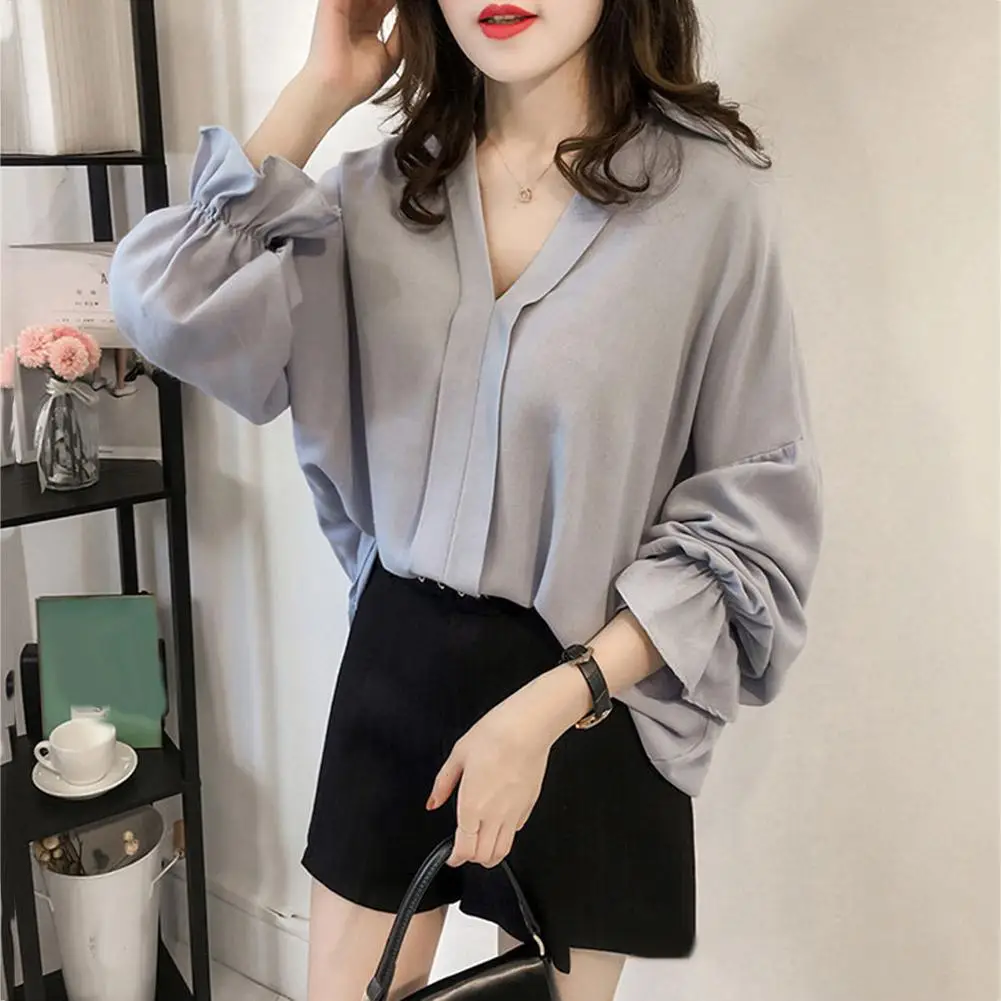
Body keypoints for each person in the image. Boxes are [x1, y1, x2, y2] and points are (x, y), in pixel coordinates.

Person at [109, 1, 823, 998]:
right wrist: (317, 91)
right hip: (397, 664)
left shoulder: (708, 203)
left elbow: (748, 530)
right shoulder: (370, 197)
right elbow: (165, 311)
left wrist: (552, 703)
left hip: (589, 694)